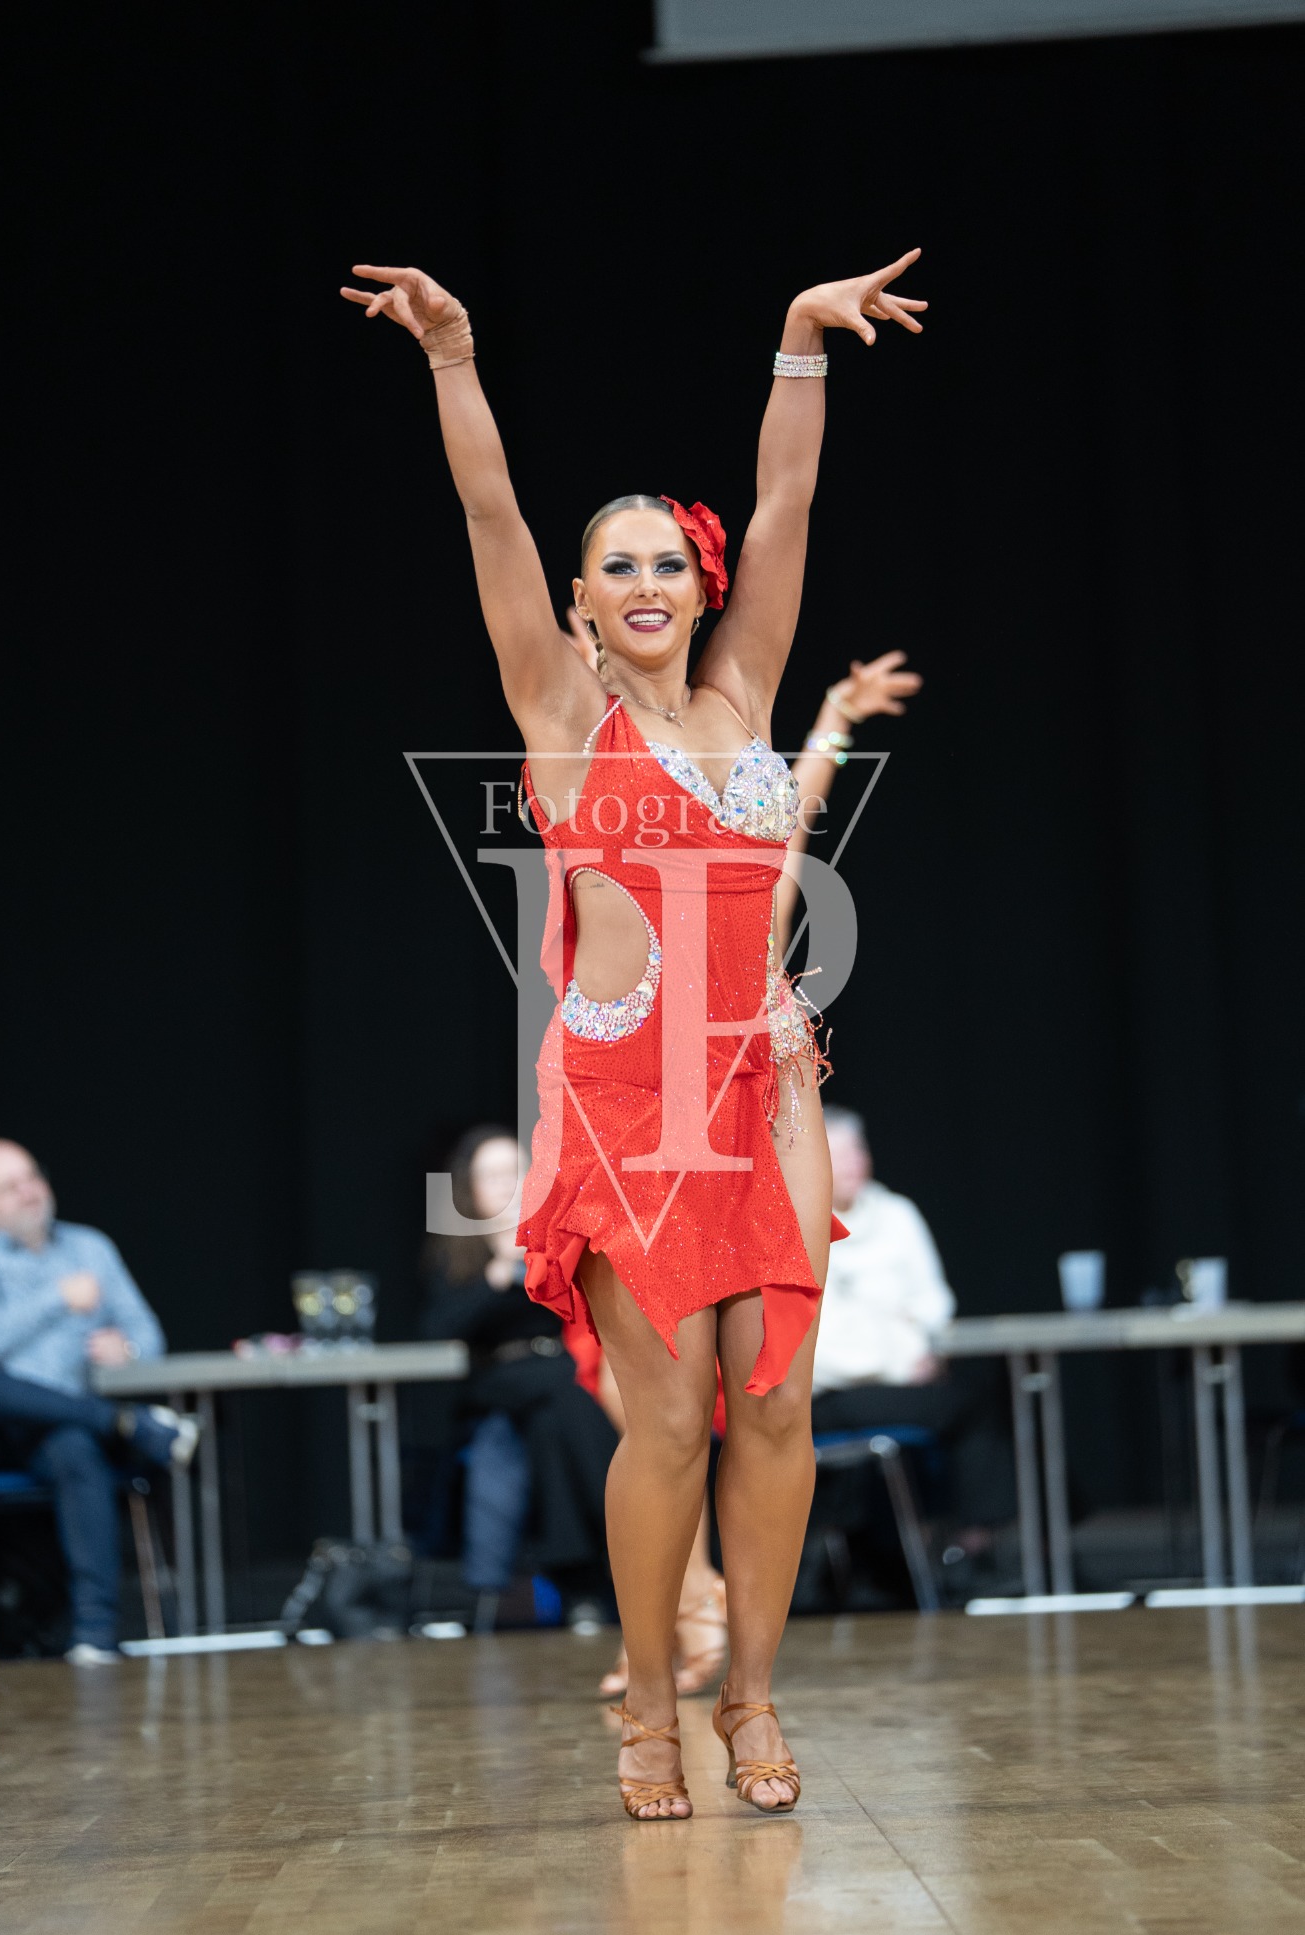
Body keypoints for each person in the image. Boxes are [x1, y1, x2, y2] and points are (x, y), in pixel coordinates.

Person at [343, 250, 926, 1816]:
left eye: (670, 560)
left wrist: (800, 339)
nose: (650, 582)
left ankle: (753, 1697)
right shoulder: (559, 711)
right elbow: (489, 515)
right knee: (666, 1420)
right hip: (628, 1092)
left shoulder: (744, 697)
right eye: (620, 566)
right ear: (585, 599)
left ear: (699, 584)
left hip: (765, 1079)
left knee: (778, 1400)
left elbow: (787, 505)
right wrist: (452, 357)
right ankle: (653, 1708)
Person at [559, 628, 924, 1699]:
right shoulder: (609, 816)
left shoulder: (751, 884)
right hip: (641, 1125)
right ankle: (682, 1611)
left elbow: (790, 820)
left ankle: (706, 1625)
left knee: (741, 1402)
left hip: (745, 1129)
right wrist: (594, 673)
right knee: (646, 1409)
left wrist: (835, 723)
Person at [0, 1138, 199, 1663]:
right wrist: (57, 1298)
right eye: (9, 1187)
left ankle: (94, 1635)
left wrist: (128, 1349)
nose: (29, 1192)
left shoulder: (89, 1248)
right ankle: (124, 1422)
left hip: (60, 1430)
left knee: (74, 1446)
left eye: (32, 1177)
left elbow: (149, 1334)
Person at [421, 1126, 617, 1619]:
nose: (507, 1186)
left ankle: (580, 1585)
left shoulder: (561, 1240)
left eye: (516, 1172)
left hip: (558, 1375)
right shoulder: (458, 1253)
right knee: (565, 1393)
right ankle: (627, 1536)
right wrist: (497, 1275)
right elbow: (439, 1328)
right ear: (470, 1187)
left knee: (553, 1425)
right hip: (500, 1378)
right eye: (492, 1176)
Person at [815, 1108, 1010, 1538]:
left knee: (1001, 1385)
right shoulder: (799, 1225)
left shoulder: (895, 1213)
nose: (854, 1163)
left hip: (905, 1375)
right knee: (972, 1405)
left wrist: (915, 1345)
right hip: (834, 1394)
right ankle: (975, 1540)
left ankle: (1013, 1535)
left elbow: (933, 1302)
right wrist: (903, 1355)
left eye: (858, 1150)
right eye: (839, 1154)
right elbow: (823, 1347)